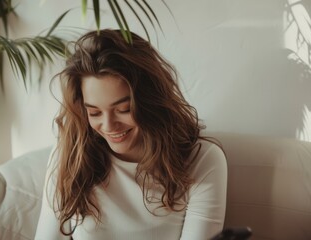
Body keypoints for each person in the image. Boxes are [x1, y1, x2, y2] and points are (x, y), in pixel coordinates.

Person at [35, 29, 227, 240]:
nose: (109, 125)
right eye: (94, 112)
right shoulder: (69, 156)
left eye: (123, 109)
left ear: (150, 101)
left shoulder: (202, 160)